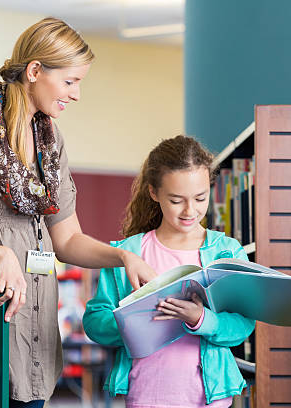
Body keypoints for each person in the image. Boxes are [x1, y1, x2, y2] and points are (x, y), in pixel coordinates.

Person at [0, 17, 157, 408]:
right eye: (70, 81)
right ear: (35, 71)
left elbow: (67, 240)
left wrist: (123, 256)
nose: (76, 95)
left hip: (37, 332)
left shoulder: (51, 140)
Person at [83, 135, 256, 407]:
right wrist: (136, 321)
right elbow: (94, 321)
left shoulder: (227, 251)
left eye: (200, 198)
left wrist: (201, 319)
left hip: (209, 397)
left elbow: (242, 326)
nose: (190, 211)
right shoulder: (129, 252)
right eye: (176, 200)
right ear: (154, 193)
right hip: (145, 393)